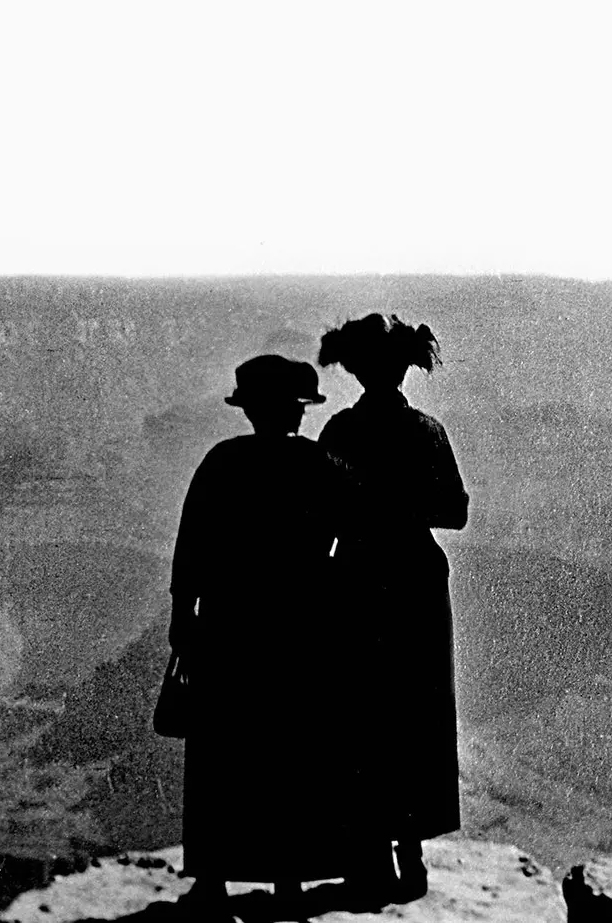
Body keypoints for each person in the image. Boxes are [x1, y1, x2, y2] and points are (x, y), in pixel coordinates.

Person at [168, 355, 387, 918]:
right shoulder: (319, 464)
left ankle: (213, 880)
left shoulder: (221, 462)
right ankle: (290, 881)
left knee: (223, 755)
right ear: (298, 410)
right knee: (295, 754)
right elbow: (356, 531)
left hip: (230, 625)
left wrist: (182, 614)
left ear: (249, 410)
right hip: (302, 628)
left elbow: (191, 545)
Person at [316, 313, 469, 904]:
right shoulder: (428, 433)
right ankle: (412, 853)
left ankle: (371, 854)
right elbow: (454, 511)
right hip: (414, 583)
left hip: (354, 582)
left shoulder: (339, 434)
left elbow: (320, 514)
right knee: (416, 714)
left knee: (359, 714)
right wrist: (405, 506)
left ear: (354, 370)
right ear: (404, 369)